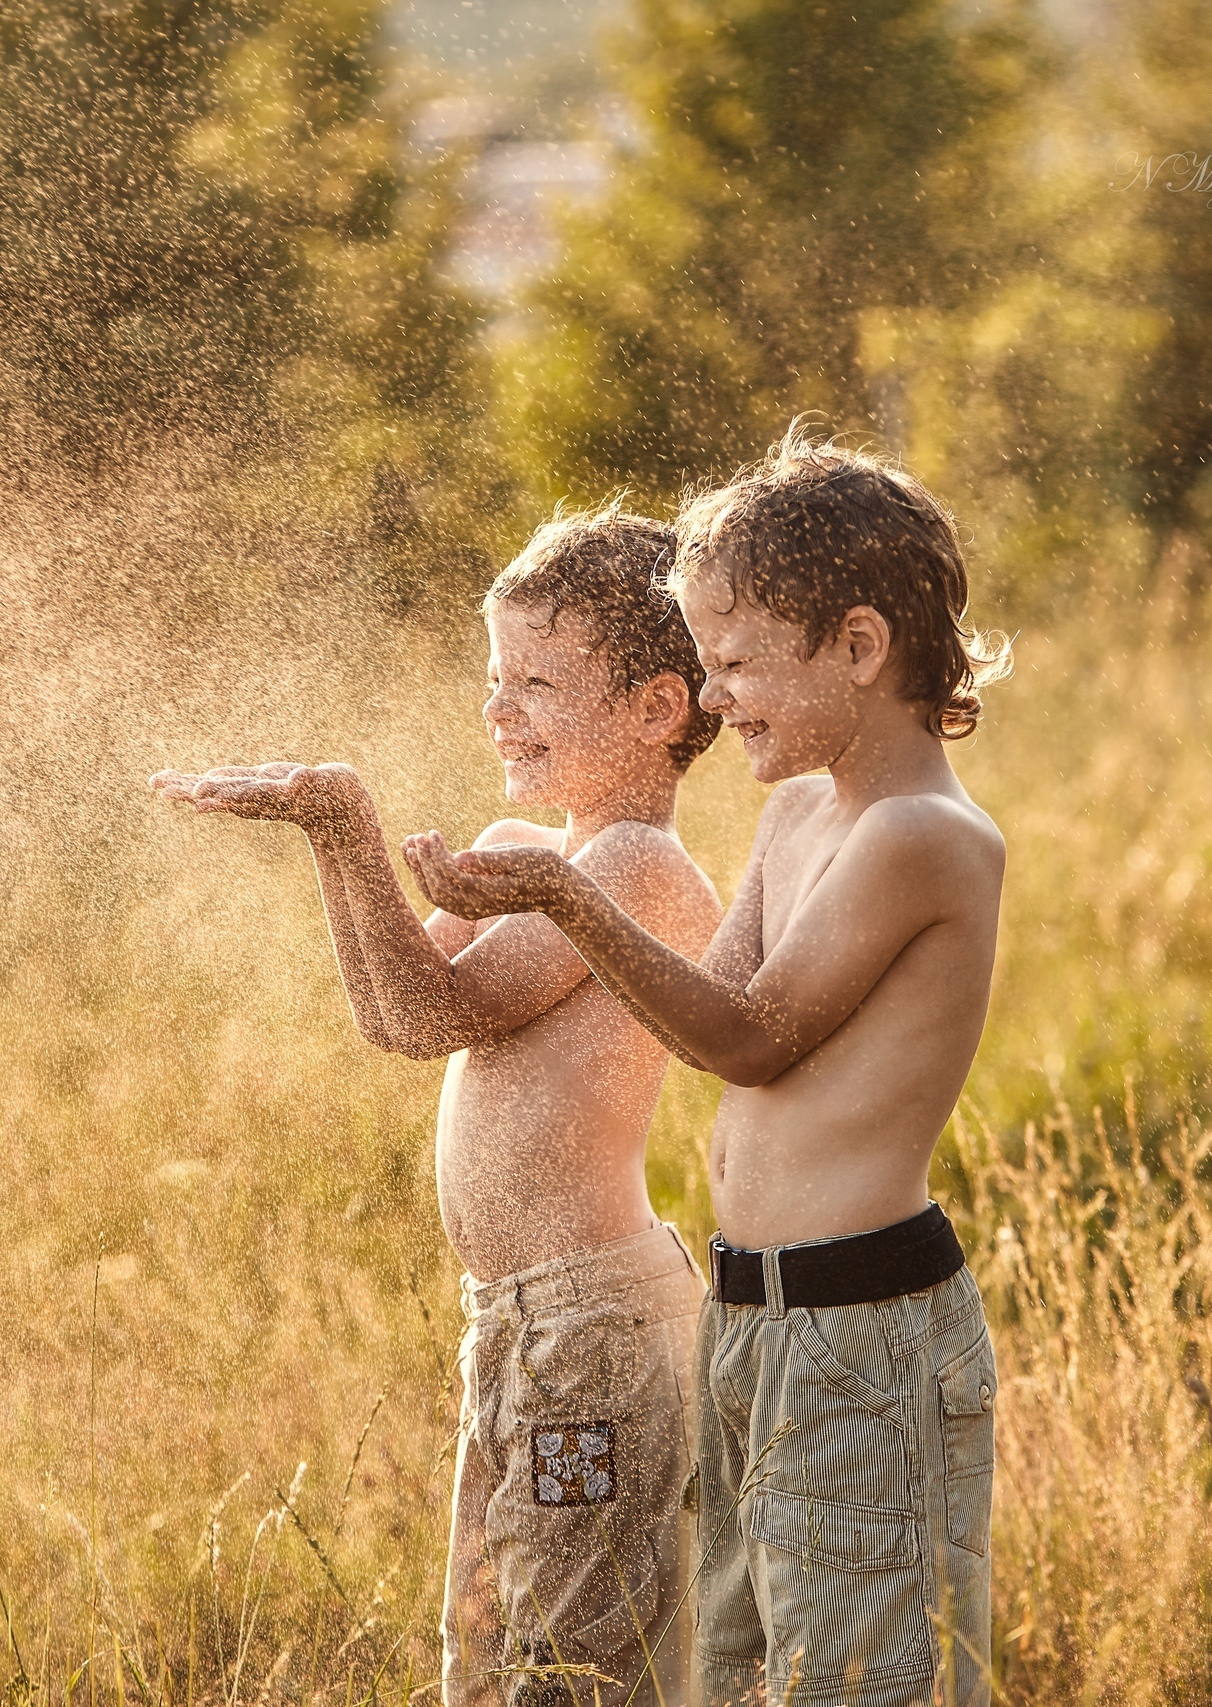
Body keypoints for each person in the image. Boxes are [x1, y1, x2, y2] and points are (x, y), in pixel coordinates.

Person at [402, 432, 1012, 1707]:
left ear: (857, 647)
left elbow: (749, 1037)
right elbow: (701, 1014)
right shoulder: (797, 814)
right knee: (732, 1667)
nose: (716, 697)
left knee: (855, 1673)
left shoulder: (920, 836)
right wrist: (550, 896)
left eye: (734, 662)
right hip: (747, 1313)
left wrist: (570, 897)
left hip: (859, 1326)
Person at [150, 504, 725, 1707]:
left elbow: (443, 1010)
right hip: (511, 1325)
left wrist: (349, 822)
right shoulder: (521, 850)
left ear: (657, 708)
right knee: (487, 1644)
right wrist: (329, 843)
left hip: (595, 1337)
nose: (498, 709)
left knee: (576, 1656)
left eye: (537, 682)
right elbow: (396, 1016)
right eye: (493, 678)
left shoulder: (633, 870)